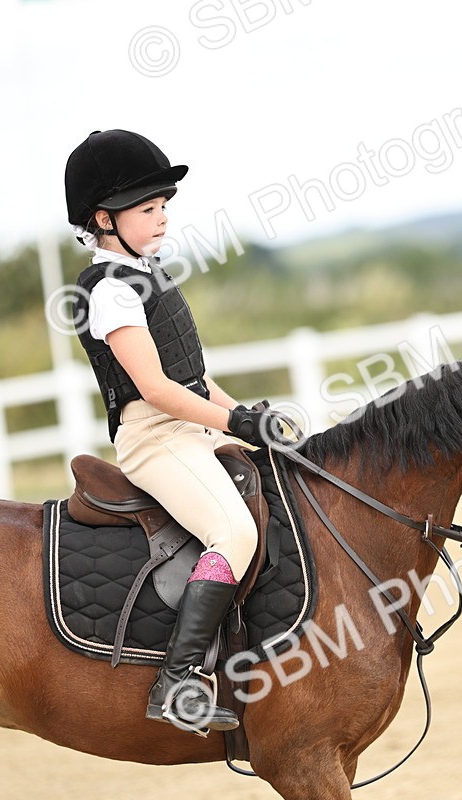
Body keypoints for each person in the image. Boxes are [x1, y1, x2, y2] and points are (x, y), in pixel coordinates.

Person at [64, 129, 265, 733]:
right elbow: (154, 388)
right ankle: (177, 682)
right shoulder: (110, 292)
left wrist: (254, 422)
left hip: (192, 424)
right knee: (232, 531)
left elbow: (195, 380)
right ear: (104, 218)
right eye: (147, 209)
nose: (161, 219)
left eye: (163, 207)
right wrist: (233, 422)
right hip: (156, 437)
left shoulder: (150, 275)